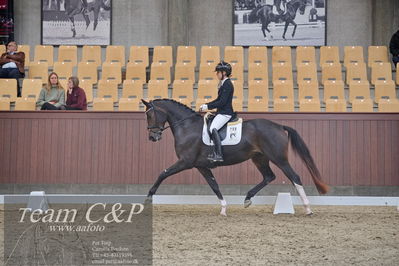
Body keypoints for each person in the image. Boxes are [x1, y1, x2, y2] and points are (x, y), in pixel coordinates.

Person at [199, 61, 235, 162]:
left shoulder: (227, 84)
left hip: (225, 113)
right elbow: (218, 100)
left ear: (224, 73)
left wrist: (208, 106)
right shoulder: (223, 83)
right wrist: (207, 105)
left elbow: (222, 102)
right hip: (221, 112)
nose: (217, 74)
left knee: (213, 128)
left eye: (218, 72)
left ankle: (218, 154)